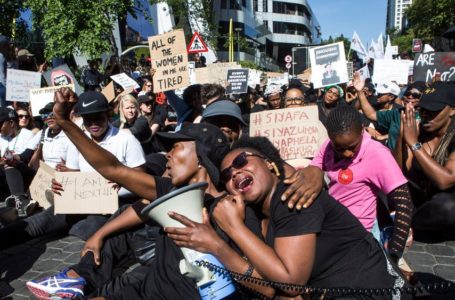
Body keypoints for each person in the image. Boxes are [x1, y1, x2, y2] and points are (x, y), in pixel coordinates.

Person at [26, 87, 323, 298]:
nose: (168, 154)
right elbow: (113, 169)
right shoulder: (172, 189)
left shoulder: (236, 210)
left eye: (177, 147)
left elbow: (268, 286)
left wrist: (315, 173)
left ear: (201, 158)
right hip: (140, 291)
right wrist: (65, 123)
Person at [165, 136, 411, 299]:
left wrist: (226, 237)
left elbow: (291, 281)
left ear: (271, 164)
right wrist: (218, 240)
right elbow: (269, 287)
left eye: (242, 161)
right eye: (227, 175)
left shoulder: (294, 196)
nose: (235, 172)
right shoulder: (253, 214)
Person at [310, 105, 413, 264]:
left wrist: (394, 252)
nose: (347, 154)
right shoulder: (329, 145)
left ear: (363, 130)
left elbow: (404, 203)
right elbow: (316, 165)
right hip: (331, 227)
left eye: (352, 147)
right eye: (340, 148)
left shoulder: (377, 154)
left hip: (358, 236)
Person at [400, 84, 455, 231]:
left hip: (445, 204)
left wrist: (414, 143)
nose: (425, 114)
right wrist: (402, 137)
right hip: (421, 201)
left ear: (452, 110)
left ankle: (407, 223)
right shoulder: (419, 131)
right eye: (423, 109)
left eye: (433, 110)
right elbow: (403, 172)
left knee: (447, 207)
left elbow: (445, 180)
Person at [0, 107, 37, 218]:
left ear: (11, 123)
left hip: (24, 173)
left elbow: (26, 157)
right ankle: (11, 198)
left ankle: (21, 201)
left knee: (11, 163)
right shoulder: (1, 136)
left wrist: (14, 157)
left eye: (0, 124)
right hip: (6, 175)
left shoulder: (27, 134)